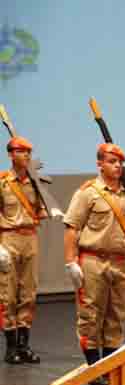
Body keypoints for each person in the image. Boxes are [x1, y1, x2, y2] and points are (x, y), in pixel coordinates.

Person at [63, 143, 125, 385]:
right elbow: (72, 227)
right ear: (100, 164)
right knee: (90, 315)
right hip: (92, 260)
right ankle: (94, 369)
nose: (117, 166)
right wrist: (70, 261)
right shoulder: (88, 192)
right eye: (111, 161)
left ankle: (109, 369)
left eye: (119, 162)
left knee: (116, 316)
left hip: (120, 261)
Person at [1, 136, 47, 364]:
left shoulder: (34, 182)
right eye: (21, 151)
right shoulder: (2, 182)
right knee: (7, 294)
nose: (26, 156)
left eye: (28, 152)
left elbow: (41, 210)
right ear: (11, 155)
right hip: (8, 238)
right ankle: (10, 347)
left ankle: (24, 344)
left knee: (28, 293)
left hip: (29, 238)